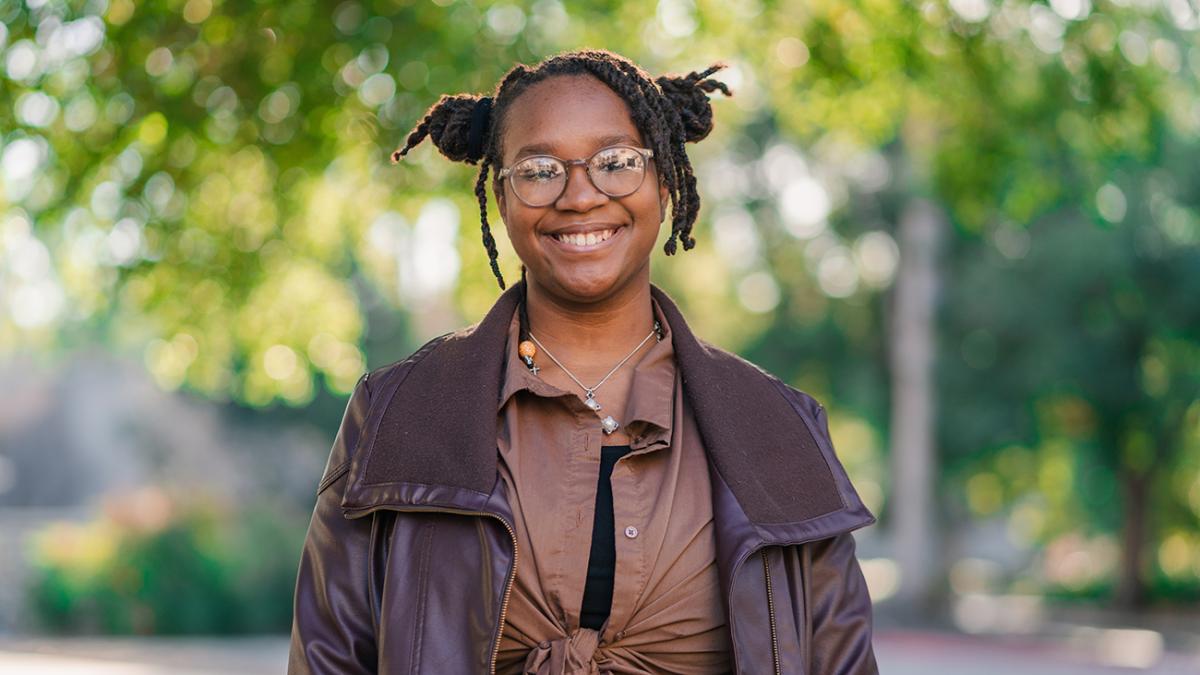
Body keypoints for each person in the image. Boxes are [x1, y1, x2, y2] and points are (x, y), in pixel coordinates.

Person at [288, 48, 878, 674]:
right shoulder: (401, 412)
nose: (579, 196)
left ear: (665, 180)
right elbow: (329, 658)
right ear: (502, 194)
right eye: (539, 169)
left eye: (616, 163)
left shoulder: (777, 425)